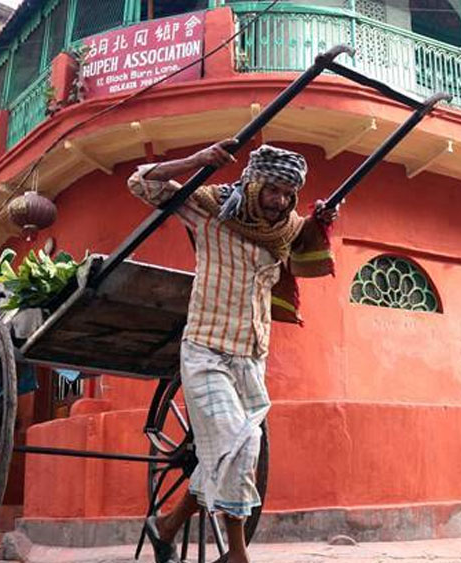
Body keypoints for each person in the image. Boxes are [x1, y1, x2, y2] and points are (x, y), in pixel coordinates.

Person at [127, 140, 337, 563]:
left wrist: (321, 221)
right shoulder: (211, 208)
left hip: (252, 356)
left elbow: (305, 243)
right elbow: (140, 183)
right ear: (254, 182)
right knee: (239, 446)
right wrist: (196, 161)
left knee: (235, 447)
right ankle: (237, 555)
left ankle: (166, 527)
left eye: (287, 194)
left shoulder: (286, 229)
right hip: (206, 349)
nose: (279, 202)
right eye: (272, 190)